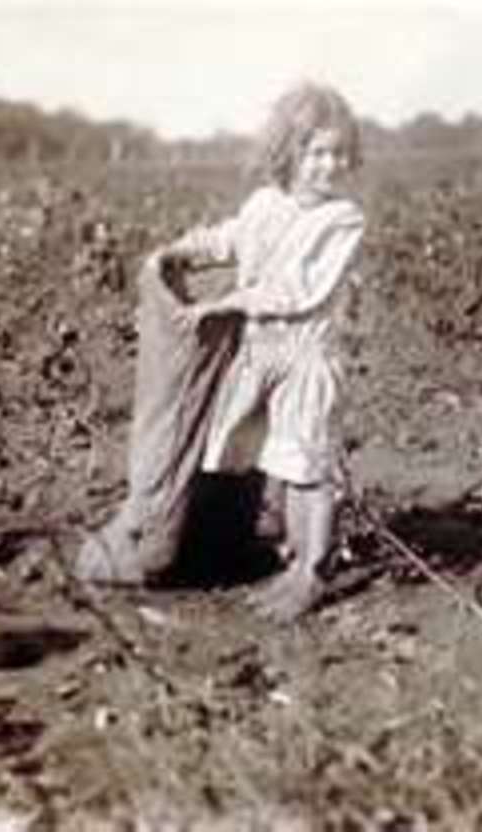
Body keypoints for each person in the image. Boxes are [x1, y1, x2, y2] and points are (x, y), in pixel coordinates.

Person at [159, 81, 367, 621]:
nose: (331, 165)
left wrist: (224, 304)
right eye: (318, 152)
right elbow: (232, 239)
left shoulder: (342, 220)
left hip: (304, 357)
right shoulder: (264, 204)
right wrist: (184, 250)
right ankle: (265, 553)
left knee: (305, 465)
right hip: (257, 352)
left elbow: (300, 292)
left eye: (341, 153)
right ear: (288, 151)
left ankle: (310, 572)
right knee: (243, 452)